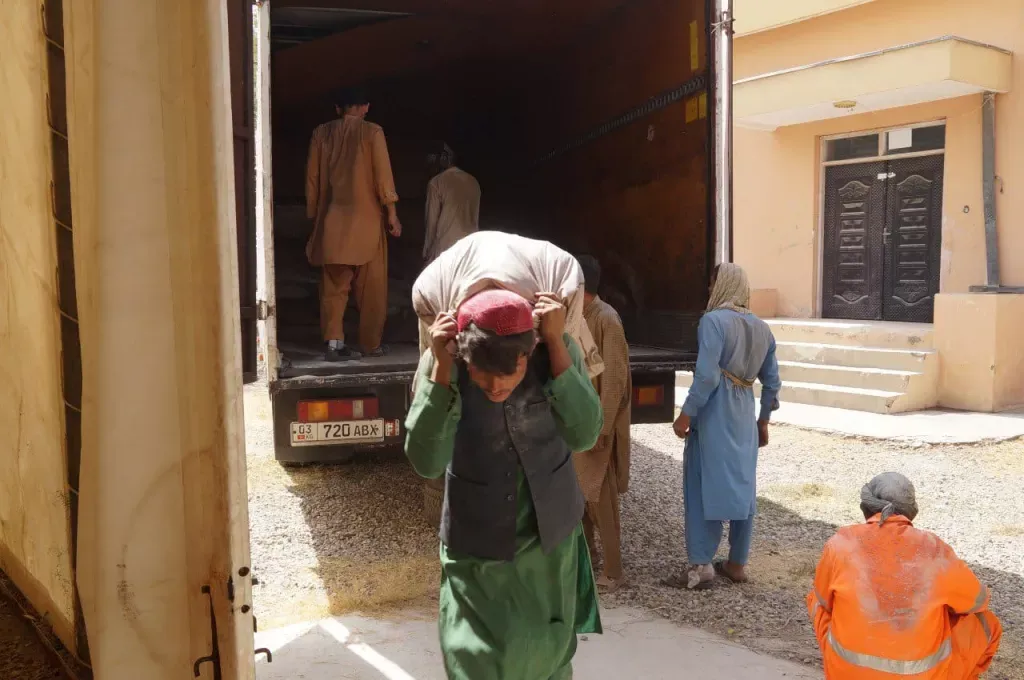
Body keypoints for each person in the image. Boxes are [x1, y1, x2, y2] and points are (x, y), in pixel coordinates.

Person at [404, 288, 604, 680]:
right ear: (465, 357)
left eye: (508, 374)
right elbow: (427, 462)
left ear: (528, 353)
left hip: (550, 540)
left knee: (548, 650)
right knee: (474, 654)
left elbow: (584, 436)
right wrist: (441, 369)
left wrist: (558, 346)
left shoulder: (554, 349)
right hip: (475, 543)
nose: (495, 387)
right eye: (482, 377)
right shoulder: (445, 358)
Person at [808, 472, 1002, 679]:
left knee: (816, 599)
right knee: (986, 622)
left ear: (866, 506)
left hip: (847, 673)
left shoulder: (841, 543)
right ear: (911, 510)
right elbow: (978, 601)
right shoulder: (933, 549)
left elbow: (825, 601)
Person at [667, 263, 781, 590]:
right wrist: (763, 421)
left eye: (711, 282)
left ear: (721, 285)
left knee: (702, 484)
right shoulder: (762, 328)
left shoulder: (713, 321)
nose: (708, 289)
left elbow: (707, 377)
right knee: (743, 486)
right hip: (744, 414)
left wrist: (686, 414)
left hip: (715, 414)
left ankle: (701, 566)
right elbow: (772, 382)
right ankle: (736, 564)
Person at [305, 86, 402, 361]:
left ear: (338, 108)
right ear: (366, 107)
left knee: (333, 289)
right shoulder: (372, 132)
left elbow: (312, 179)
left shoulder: (320, 133)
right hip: (367, 224)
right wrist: (392, 214)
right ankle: (370, 344)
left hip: (331, 224)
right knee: (372, 290)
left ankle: (334, 344)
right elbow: (383, 176)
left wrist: (314, 217)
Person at [574, 255, 630, 592]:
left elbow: (614, 380)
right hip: (579, 424)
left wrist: (603, 427)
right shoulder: (577, 316)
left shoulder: (607, 319)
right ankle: (590, 559)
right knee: (579, 496)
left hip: (596, 425)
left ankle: (613, 571)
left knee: (601, 498)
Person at [423, 144, 481, 264]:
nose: (430, 161)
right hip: (470, 247)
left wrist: (427, 252)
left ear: (444, 158)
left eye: (434, 157)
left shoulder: (436, 182)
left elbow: (431, 223)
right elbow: (475, 218)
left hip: (445, 248)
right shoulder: (473, 182)